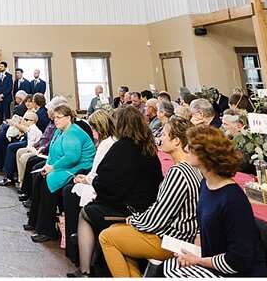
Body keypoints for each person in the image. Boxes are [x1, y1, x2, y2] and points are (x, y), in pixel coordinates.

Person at [99, 117, 202, 278]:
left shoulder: (179, 172)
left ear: (176, 141)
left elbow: (159, 217)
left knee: (106, 237)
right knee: (114, 231)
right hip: (178, 233)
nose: (160, 138)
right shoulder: (192, 167)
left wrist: (135, 220)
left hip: (173, 239)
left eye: (164, 134)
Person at [160, 126, 267, 277]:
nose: (185, 148)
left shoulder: (232, 200)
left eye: (190, 147)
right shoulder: (206, 183)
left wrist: (199, 260)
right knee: (166, 268)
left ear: (206, 155)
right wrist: (194, 254)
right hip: (213, 262)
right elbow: (201, 227)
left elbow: (238, 260)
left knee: (169, 272)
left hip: (235, 272)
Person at [73, 107, 162, 275]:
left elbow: (104, 182)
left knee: (86, 212)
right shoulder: (149, 148)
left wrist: (97, 185)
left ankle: (84, 269)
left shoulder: (120, 147)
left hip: (126, 209)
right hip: (145, 207)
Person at [24, 104, 96, 244]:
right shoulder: (59, 131)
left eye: (59, 117)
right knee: (40, 177)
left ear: (68, 118)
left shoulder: (73, 132)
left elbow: (72, 157)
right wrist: (47, 166)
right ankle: (35, 220)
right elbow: (53, 152)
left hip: (79, 168)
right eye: (54, 117)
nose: (55, 120)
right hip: (65, 166)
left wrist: (53, 168)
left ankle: (48, 231)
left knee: (50, 182)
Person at [63, 109, 116, 268]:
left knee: (69, 192)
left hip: (102, 188)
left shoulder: (105, 144)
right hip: (105, 184)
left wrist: (84, 179)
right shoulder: (112, 141)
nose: (92, 132)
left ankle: (76, 250)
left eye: (94, 128)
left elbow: (96, 173)